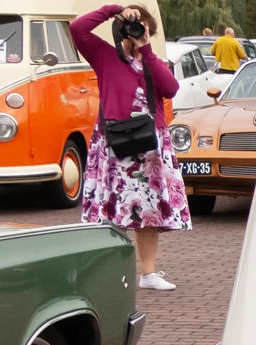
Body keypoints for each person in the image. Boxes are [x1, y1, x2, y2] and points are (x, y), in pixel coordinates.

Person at [71, 4, 190, 291]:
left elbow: (171, 89)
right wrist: (115, 10)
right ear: (121, 30)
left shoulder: (154, 60)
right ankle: (109, 273)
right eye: (133, 28)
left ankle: (148, 274)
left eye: (142, 29)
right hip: (115, 142)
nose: (136, 33)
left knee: (148, 209)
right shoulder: (104, 56)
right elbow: (77, 28)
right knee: (110, 207)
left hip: (150, 146)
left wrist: (146, 49)